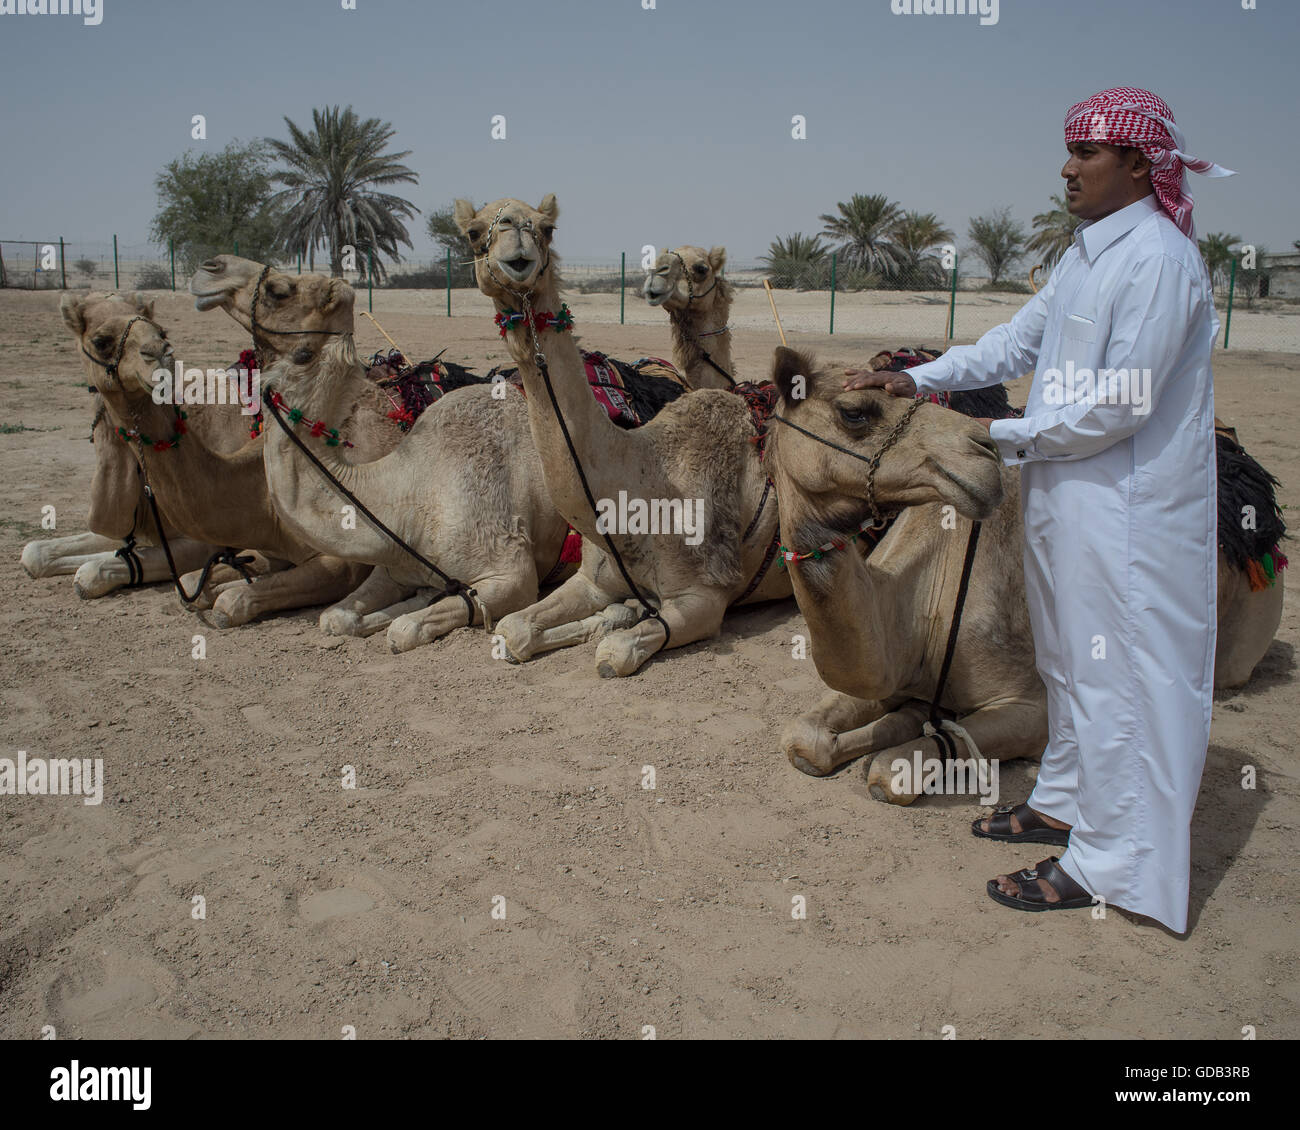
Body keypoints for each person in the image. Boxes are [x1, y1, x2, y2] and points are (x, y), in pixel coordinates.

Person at [846, 88, 1234, 932]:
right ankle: (1063, 801)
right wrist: (919, 378)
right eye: (1069, 150)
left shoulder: (1161, 262)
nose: (1067, 167)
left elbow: (1118, 406)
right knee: (1066, 666)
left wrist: (992, 433)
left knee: (1120, 683)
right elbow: (1015, 343)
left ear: (1138, 163)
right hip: (1068, 498)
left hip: (1128, 516)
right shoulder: (1090, 254)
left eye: (1086, 153)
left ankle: (1112, 866)